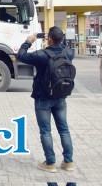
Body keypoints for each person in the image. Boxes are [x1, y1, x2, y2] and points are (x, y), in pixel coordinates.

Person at [16, 26, 75, 173]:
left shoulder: (40, 55)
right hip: (60, 97)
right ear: (62, 39)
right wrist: (59, 39)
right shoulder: (69, 53)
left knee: (45, 131)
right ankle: (68, 162)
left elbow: (20, 55)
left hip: (43, 98)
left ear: (49, 39)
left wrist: (29, 41)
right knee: (64, 130)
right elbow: (63, 46)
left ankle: (50, 163)